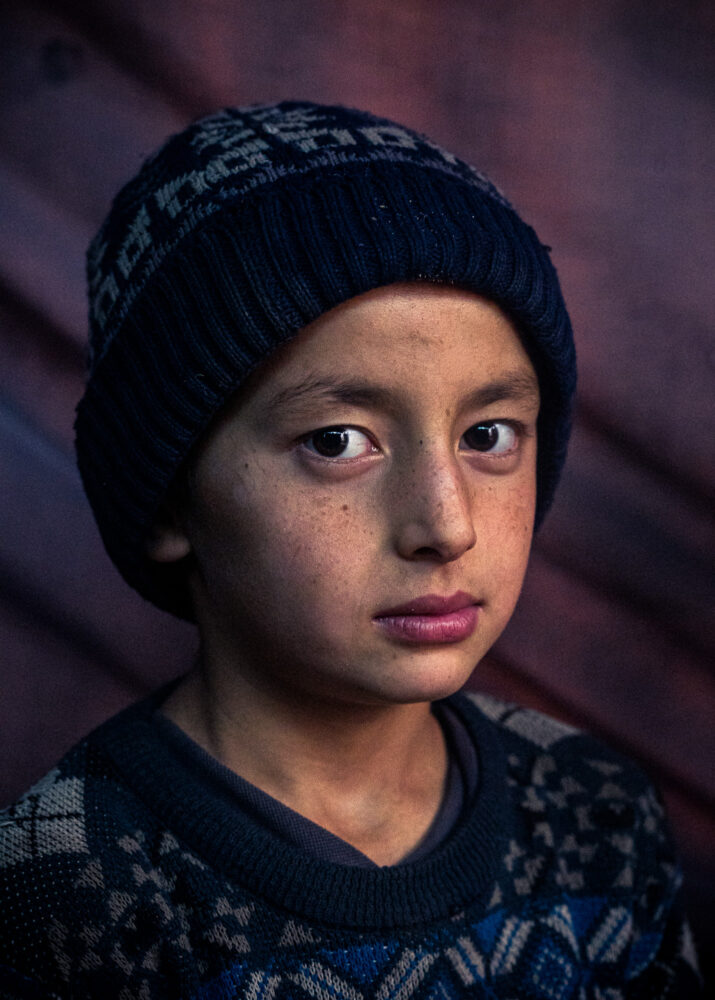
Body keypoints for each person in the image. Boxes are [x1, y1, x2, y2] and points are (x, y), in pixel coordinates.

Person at [0, 101, 701, 998]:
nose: (446, 525)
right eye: (336, 442)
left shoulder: (595, 813)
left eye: (488, 435)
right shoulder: (62, 890)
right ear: (171, 494)